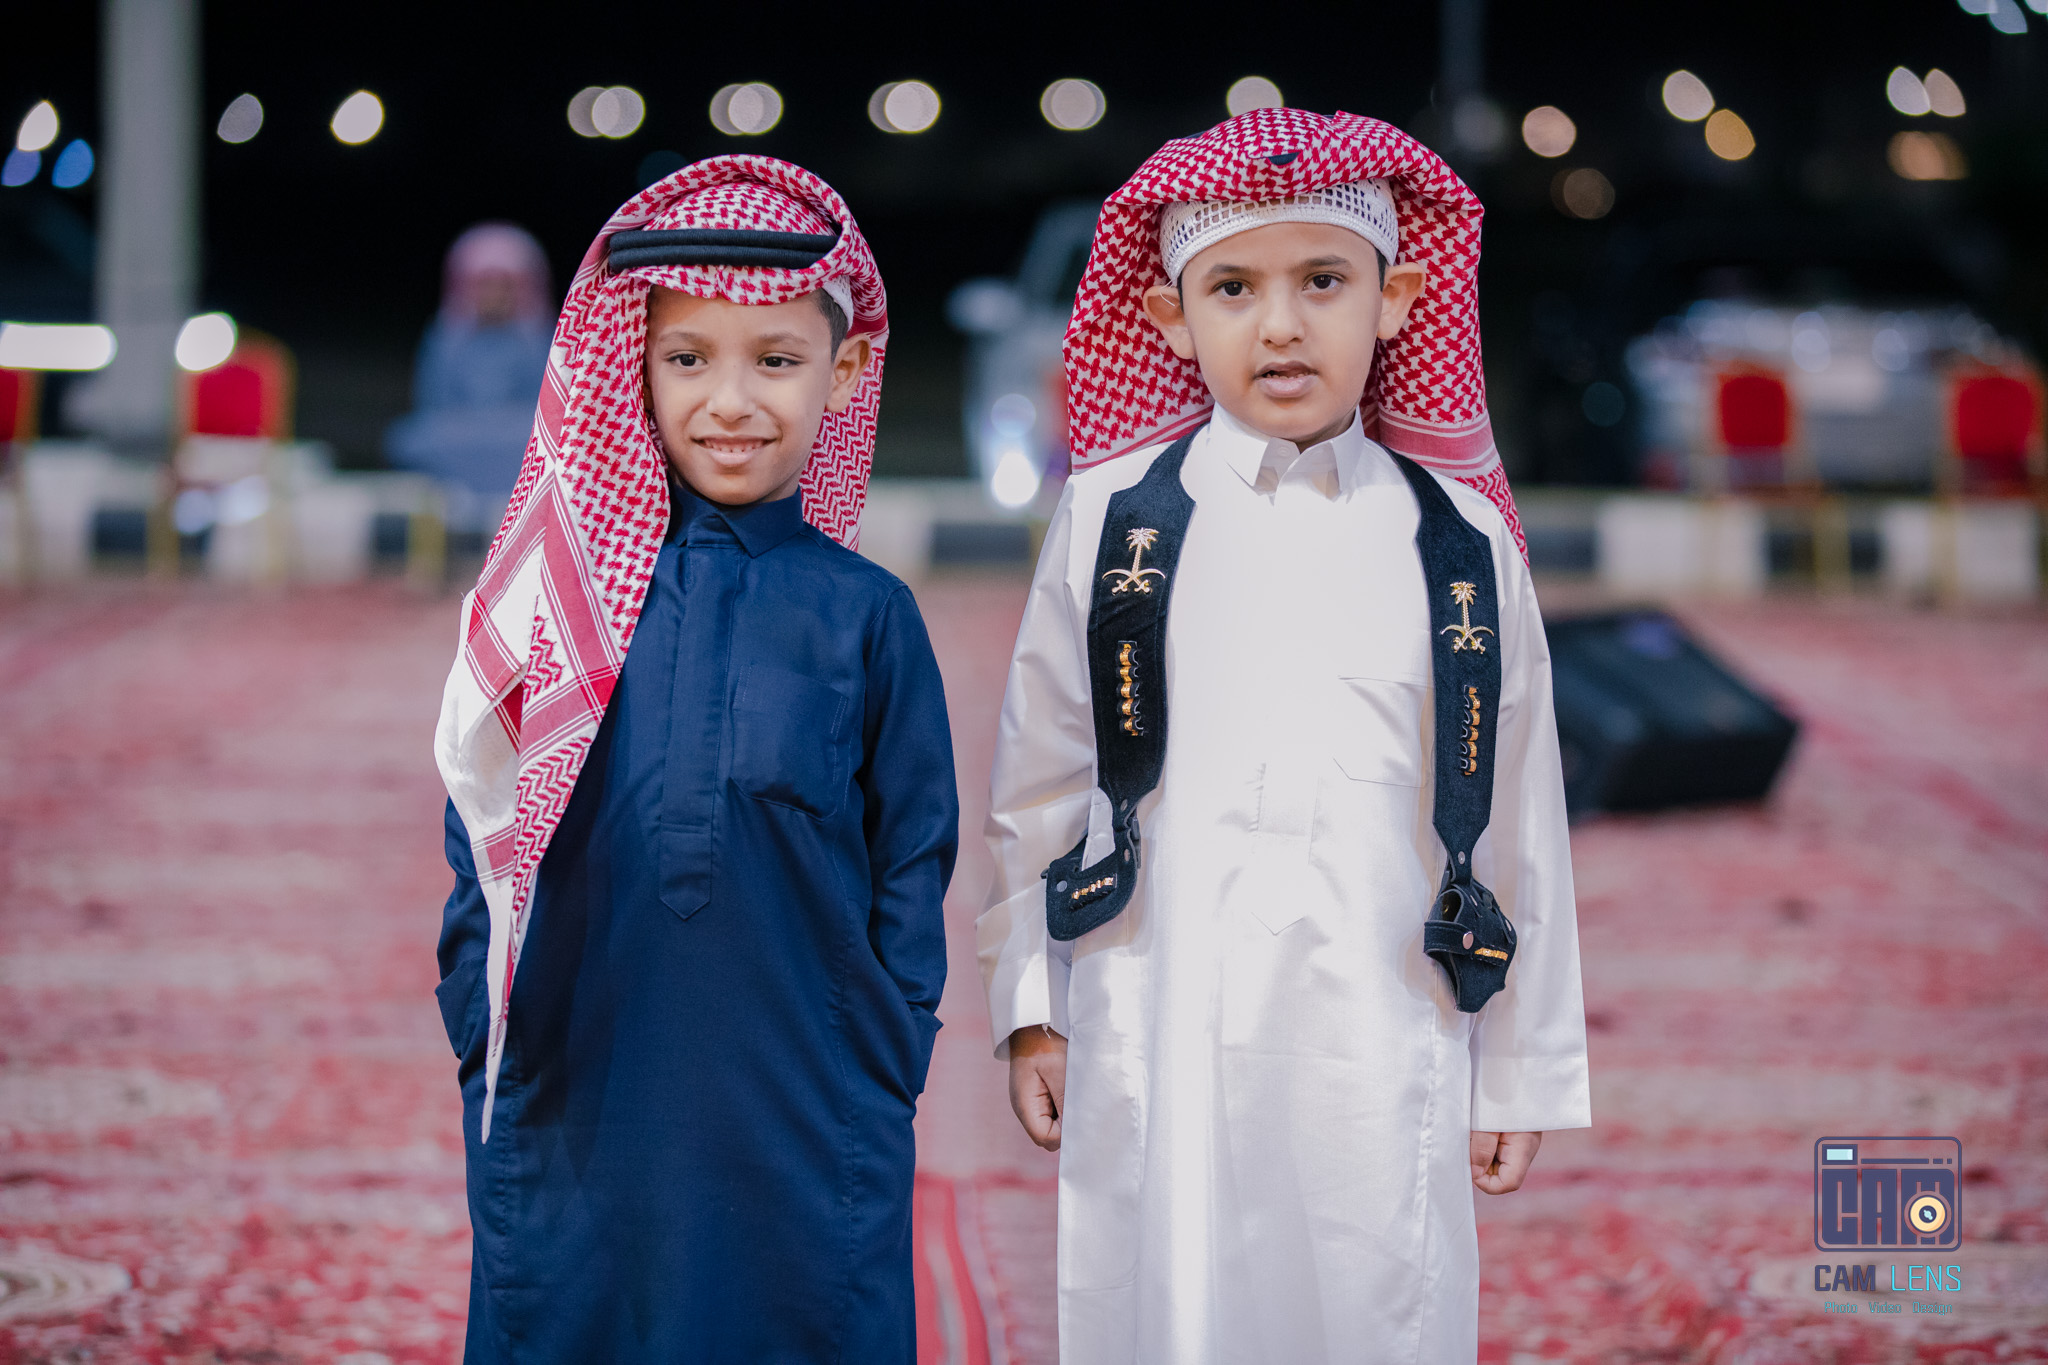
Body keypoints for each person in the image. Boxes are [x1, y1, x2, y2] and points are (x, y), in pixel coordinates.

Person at [978, 108, 1589, 1363]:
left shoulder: (1459, 544)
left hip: (1388, 1028)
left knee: (1376, 1305)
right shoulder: (1112, 522)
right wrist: (1031, 1001)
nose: (1279, 325)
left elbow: (1518, 817)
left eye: (1322, 281)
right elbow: (1040, 783)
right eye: (1232, 288)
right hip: (1157, 1016)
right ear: (1167, 318)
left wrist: (1521, 1064)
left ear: (1396, 298)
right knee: (1169, 1307)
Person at [431, 157, 958, 1361]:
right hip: (570, 1077)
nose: (731, 401)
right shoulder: (552, 600)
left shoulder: (866, 615)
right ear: (634, 362)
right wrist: (476, 1014)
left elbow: (912, 856)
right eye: (687, 359)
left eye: (774, 360)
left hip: (805, 1099)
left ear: (841, 372)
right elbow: (478, 812)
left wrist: (887, 1053)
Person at [385, 223, 554, 527]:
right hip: (459, 436)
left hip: (516, 436)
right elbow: (433, 404)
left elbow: (547, 408)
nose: (494, 294)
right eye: (484, 284)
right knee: (411, 438)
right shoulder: (446, 338)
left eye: (503, 285)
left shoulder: (540, 339)